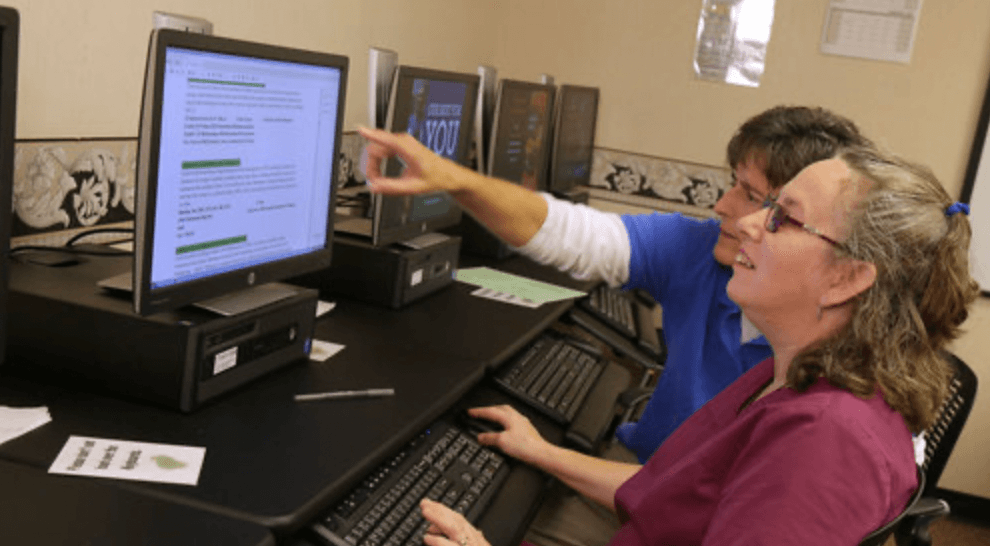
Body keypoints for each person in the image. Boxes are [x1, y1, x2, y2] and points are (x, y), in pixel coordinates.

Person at [360, 136, 979, 544]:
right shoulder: (792, 376)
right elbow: (668, 499)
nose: (743, 222)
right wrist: (542, 451)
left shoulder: (826, 441)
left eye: (781, 216)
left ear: (848, 278)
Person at [363, 106, 873, 464]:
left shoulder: (834, 381)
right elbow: (571, 233)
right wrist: (457, 180)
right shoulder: (701, 249)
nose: (722, 206)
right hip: (647, 479)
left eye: (751, 195)